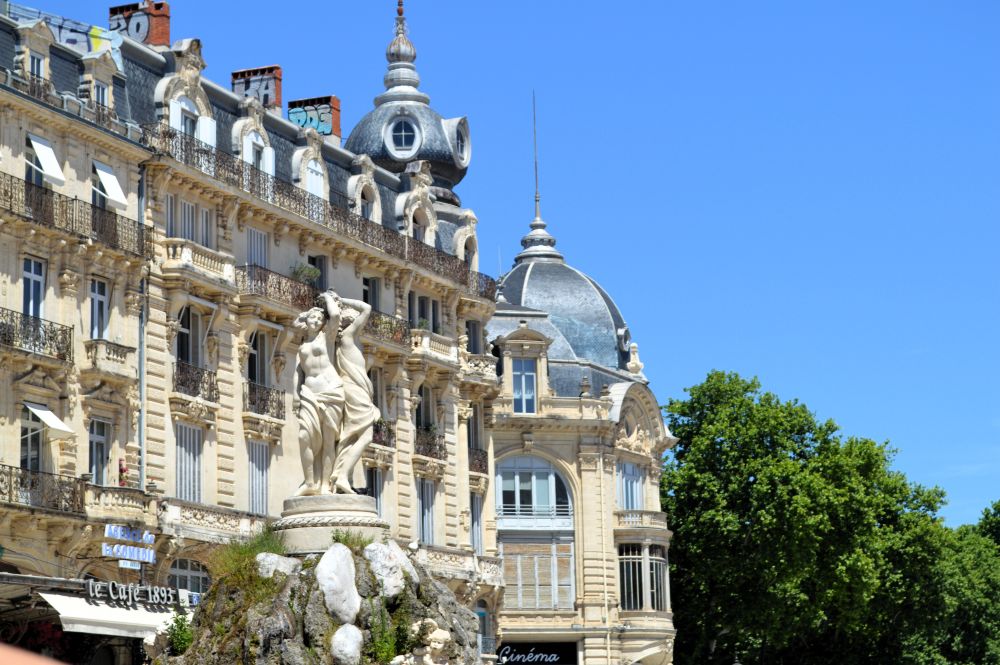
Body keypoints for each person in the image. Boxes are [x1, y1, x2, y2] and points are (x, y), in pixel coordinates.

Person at [292, 291, 345, 495]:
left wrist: (327, 298)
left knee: (328, 441)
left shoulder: (327, 337)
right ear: (306, 320)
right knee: (304, 436)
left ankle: (324, 485)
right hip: (310, 393)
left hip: (330, 390)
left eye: (319, 318)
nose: (315, 320)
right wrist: (296, 394)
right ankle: (309, 482)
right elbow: (299, 371)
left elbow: (336, 316)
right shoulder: (302, 345)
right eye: (312, 317)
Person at [329, 297, 379, 494]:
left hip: (355, 390)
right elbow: (366, 308)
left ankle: (340, 476)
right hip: (355, 391)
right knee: (366, 437)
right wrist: (341, 300)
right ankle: (342, 476)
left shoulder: (346, 341)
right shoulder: (349, 337)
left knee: (349, 437)